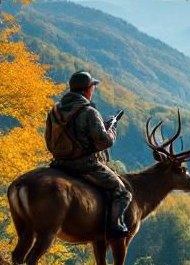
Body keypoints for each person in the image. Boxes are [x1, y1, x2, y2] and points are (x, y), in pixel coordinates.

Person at [46, 71, 131, 236]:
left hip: (58, 163)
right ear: (87, 90)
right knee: (122, 191)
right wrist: (111, 130)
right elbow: (104, 142)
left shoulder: (55, 111)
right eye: (93, 87)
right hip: (84, 166)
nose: (93, 90)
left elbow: (50, 141)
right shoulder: (89, 112)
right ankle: (115, 226)